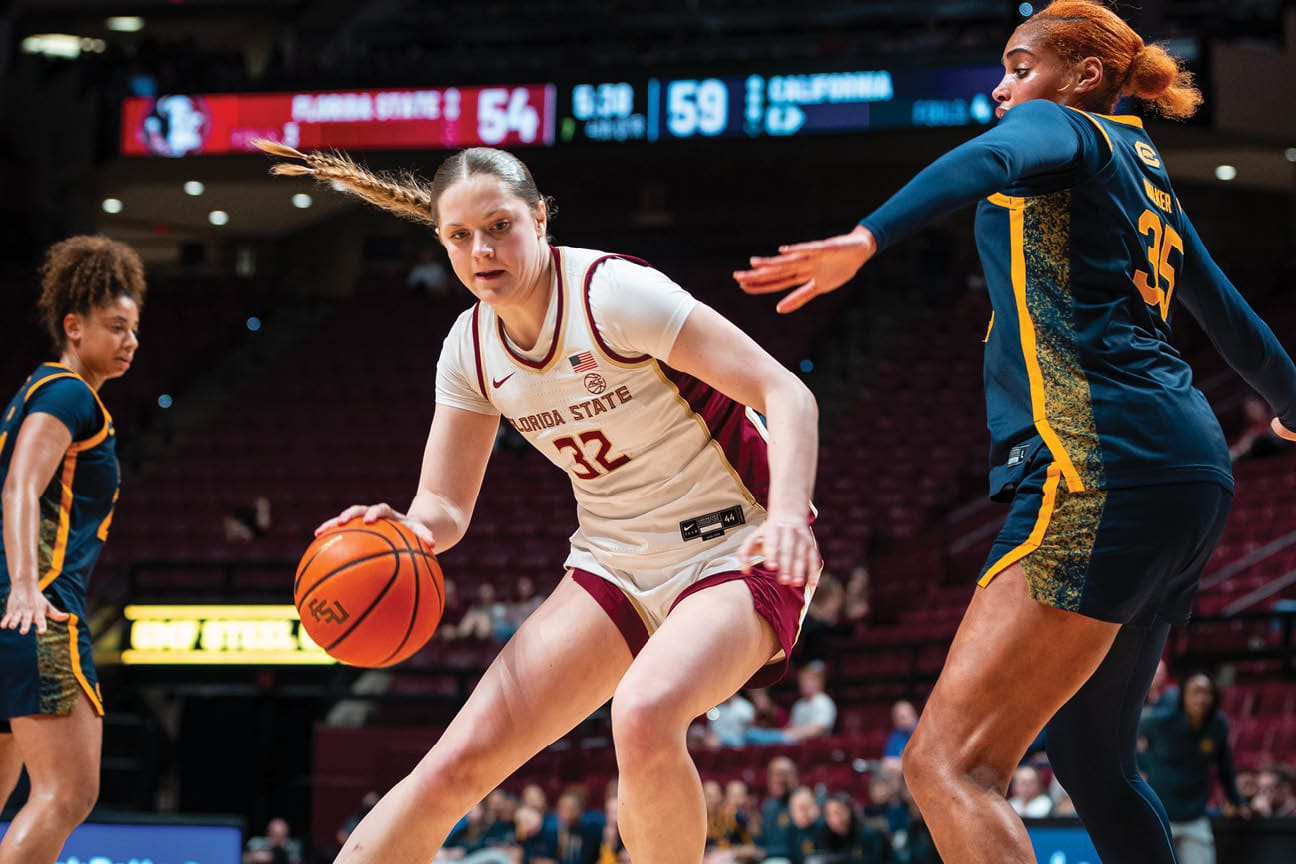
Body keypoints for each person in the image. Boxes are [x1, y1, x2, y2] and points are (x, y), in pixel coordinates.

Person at [735, 3, 1296, 863]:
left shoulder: (1059, 127)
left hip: (1102, 460)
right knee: (1093, 762)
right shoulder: (1145, 167)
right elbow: (1230, 317)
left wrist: (867, 236)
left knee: (946, 765)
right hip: (1189, 472)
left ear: (1084, 77)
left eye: (1020, 66)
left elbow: (995, 153)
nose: (1003, 87)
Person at [257, 140, 821, 864]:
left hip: (738, 544)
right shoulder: (469, 349)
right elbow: (443, 511)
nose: (481, 250)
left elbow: (788, 393)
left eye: (499, 226)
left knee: (645, 713)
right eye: (459, 236)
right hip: (614, 562)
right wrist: (402, 530)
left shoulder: (612, 294)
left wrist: (786, 518)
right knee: (454, 765)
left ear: (540, 218)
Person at [0, 236, 145, 864]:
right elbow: (20, 486)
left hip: (9, 617)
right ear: (73, 325)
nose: (130, 341)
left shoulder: (39, 389)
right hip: (39, 613)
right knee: (68, 795)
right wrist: (29, 586)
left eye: (134, 329)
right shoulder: (68, 394)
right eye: (115, 327)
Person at [1139, 673, 1244, 864]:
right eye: (1196, 692)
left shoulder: (1218, 726)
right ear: (1183, 697)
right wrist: (1143, 763)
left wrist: (1237, 801)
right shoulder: (1160, 721)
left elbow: (1225, 768)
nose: (1202, 699)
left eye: (1207, 693)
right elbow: (1128, 735)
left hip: (1195, 818)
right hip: (1160, 818)